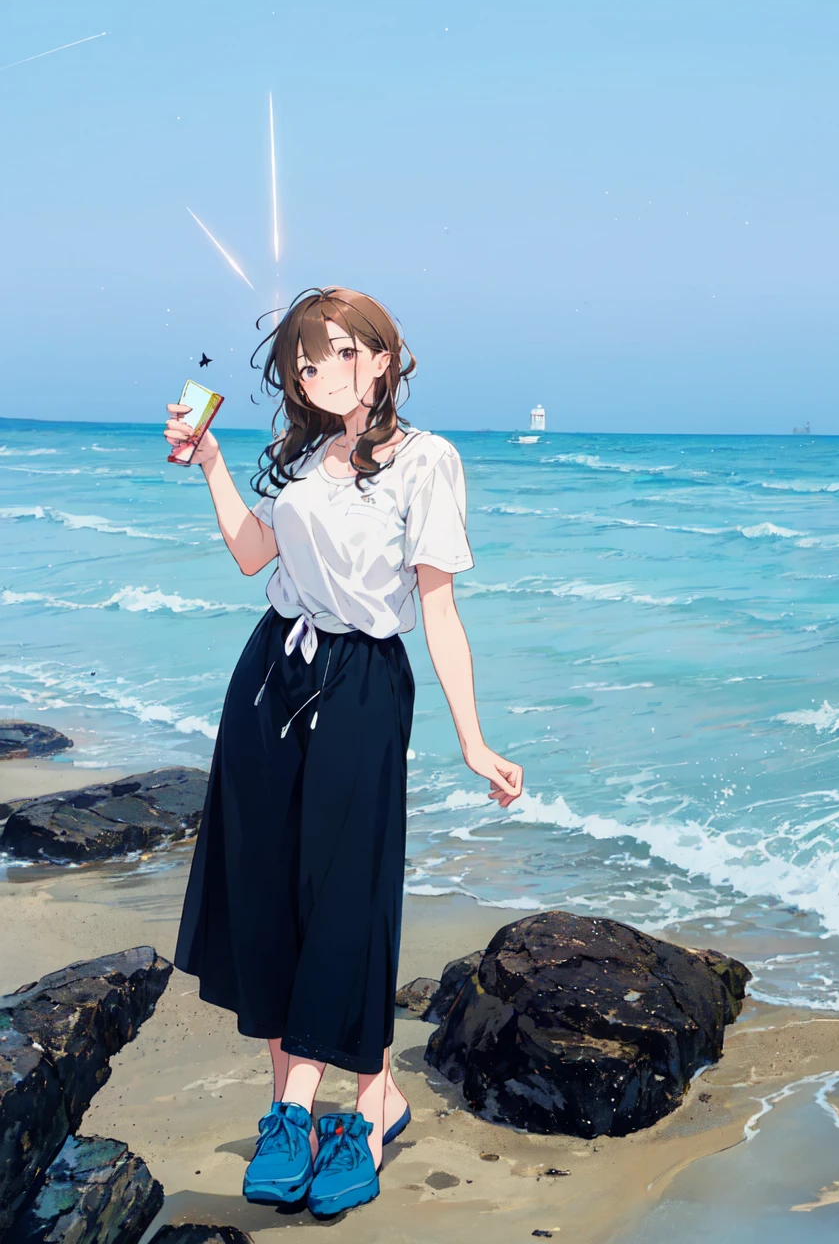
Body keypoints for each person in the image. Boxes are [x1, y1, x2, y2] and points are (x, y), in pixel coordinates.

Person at [164, 286, 523, 1217]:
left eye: (336, 354)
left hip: (363, 683)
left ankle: (333, 1110)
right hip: (269, 675)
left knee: (348, 899)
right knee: (271, 892)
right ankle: (328, 1107)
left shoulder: (425, 462)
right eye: (304, 361)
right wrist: (208, 463)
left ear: (383, 358)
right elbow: (254, 558)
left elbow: (437, 608)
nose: (317, 373)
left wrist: (474, 741)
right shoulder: (297, 462)